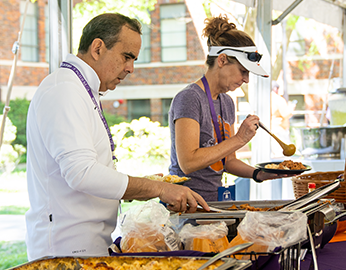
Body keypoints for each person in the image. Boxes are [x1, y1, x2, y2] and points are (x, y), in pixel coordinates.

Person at [25, 13, 209, 261]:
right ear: (98, 48)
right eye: (127, 57)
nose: (131, 68)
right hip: (67, 248)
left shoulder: (80, 88)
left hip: (88, 243)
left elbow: (92, 168)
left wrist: (140, 185)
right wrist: (158, 189)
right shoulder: (64, 90)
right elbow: (82, 173)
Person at [168, 15, 291, 202]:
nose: (247, 79)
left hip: (215, 203)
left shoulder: (226, 102)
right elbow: (188, 163)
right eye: (243, 71)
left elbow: (229, 161)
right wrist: (240, 138)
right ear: (222, 60)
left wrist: (259, 174)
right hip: (188, 206)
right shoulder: (189, 98)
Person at [271, 81, 295, 157]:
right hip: (280, 129)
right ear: (275, 89)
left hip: (271, 128)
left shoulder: (267, 99)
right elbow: (286, 114)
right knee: (281, 154)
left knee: (274, 153)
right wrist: (292, 108)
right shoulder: (279, 99)